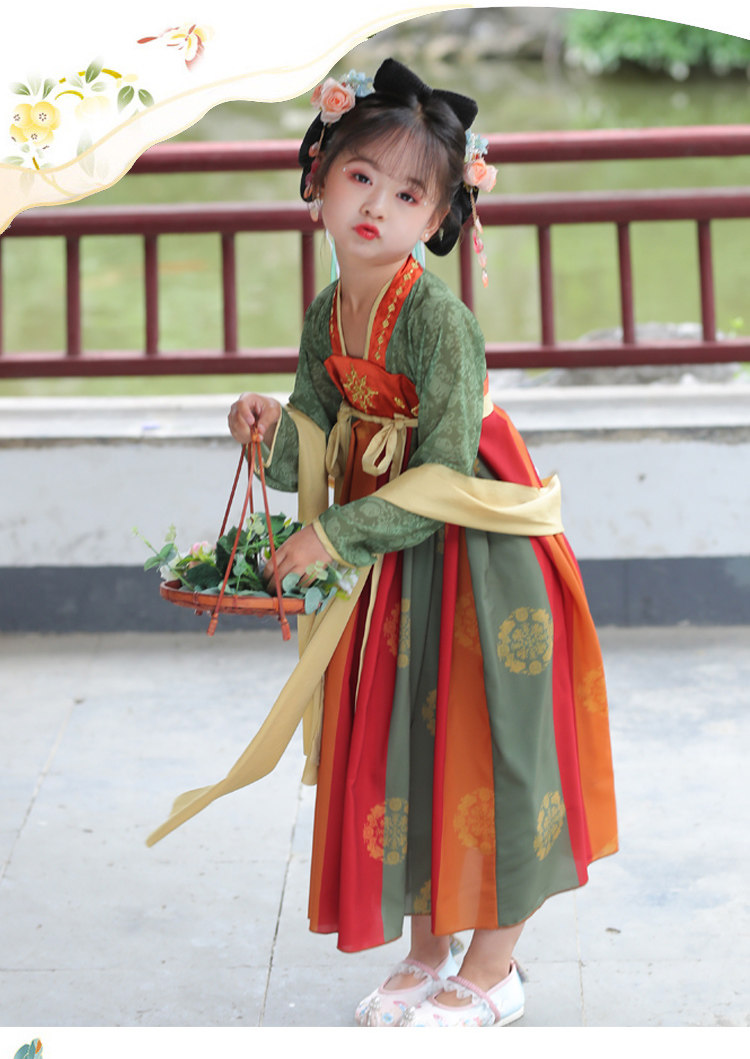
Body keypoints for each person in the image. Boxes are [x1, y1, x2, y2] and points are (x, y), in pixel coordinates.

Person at [220, 57, 618, 1028]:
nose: (377, 206)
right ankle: (427, 949)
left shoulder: (440, 321)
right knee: (407, 741)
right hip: (396, 551)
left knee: (490, 744)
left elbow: (442, 473)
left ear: (439, 215)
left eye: (408, 194)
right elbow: (319, 439)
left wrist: (334, 534)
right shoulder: (329, 310)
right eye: (361, 176)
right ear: (317, 175)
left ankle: (494, 967)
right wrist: (270, 430)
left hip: (476, 547)